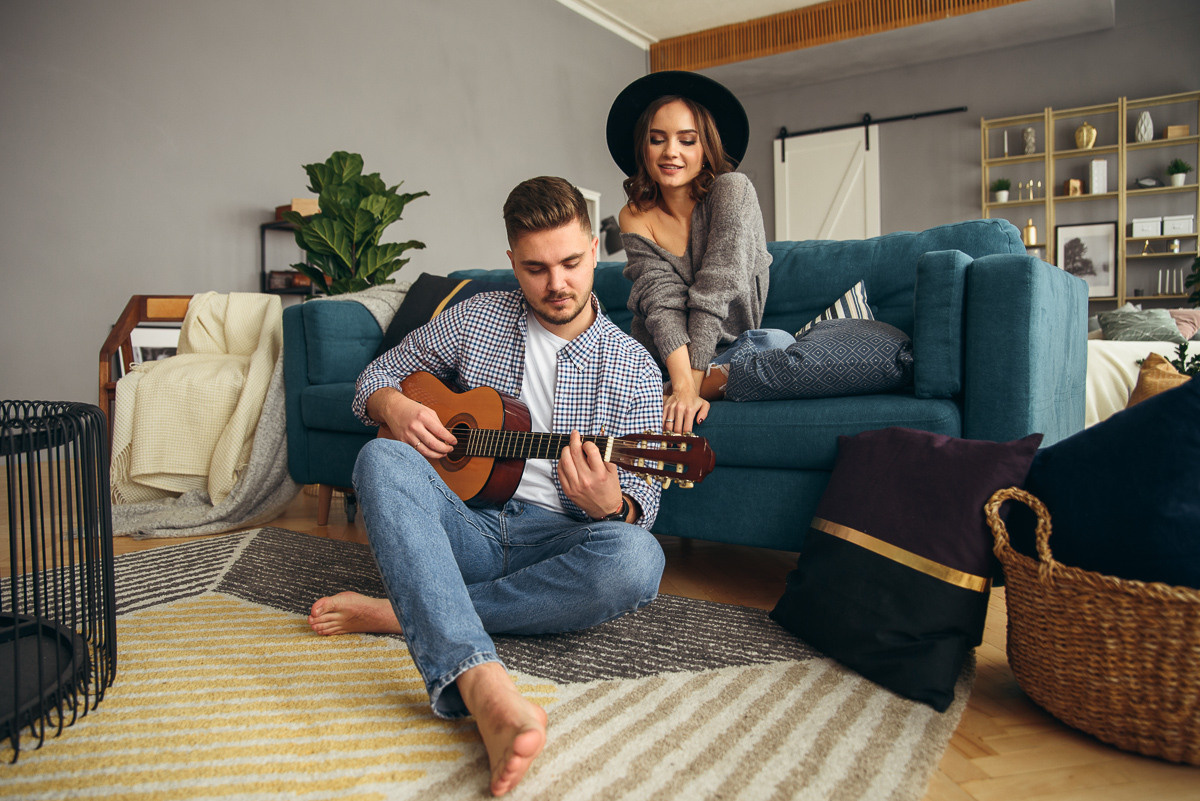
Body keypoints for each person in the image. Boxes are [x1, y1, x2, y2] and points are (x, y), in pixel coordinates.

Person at [308, 176, 666, 797]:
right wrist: (394, 409)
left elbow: (645, 502)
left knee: (638, 561)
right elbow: (376, 377)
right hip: (466, 527)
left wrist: (614, 504)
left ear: (591, 245)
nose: (557, 284)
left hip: (560, 539)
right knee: (380, 461)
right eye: (536, 268)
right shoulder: (476, 318)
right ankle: (481, 682)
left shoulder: (633, 364)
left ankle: (410, 612)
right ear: (511, 263)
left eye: (572, 263)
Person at [606, 70, 796, 434]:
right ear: (642, 148)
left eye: (687, 140)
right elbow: (661, 302)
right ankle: (651, 390)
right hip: (661, 356)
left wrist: (686, 390)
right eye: (657, 139)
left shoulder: (732, 191)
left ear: (706, 148)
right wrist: (682, 386)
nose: (670, 152)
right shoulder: (634, 215)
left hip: (730, 350)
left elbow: (715, 290)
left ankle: (648, 397)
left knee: (777, 344)